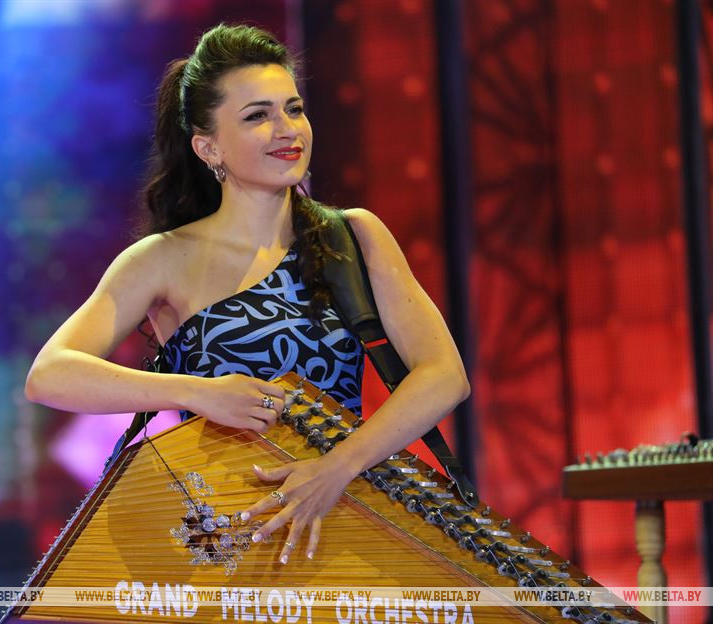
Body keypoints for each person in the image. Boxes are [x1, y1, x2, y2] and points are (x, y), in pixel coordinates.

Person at [24, 23, 470, 567]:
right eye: (258, 116)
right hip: (225, 541)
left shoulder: (353, 235)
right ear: (208, 146)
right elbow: (51, 375)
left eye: (293, 109)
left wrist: (337, 467)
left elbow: (444, 375)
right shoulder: (162, 259)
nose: (287, 129)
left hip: (345, 521)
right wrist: (198, 393)